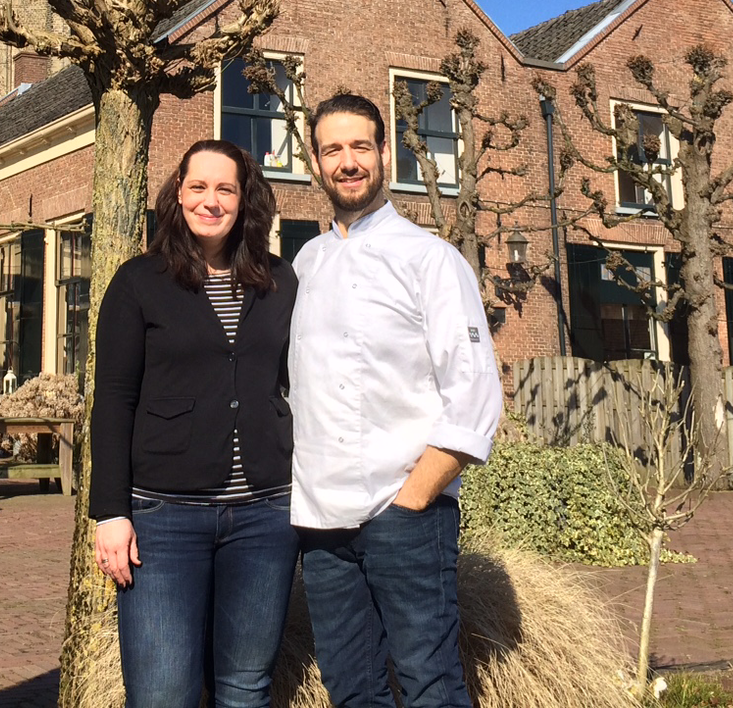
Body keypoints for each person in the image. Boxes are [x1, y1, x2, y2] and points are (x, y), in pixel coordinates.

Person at [288, 93, 503, 708]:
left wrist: (412, 501)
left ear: (385, 153)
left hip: (403, 514)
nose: (347, 162)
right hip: (323, 523)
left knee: (430, 685)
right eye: (332, 149)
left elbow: (475, 394)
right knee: (351, 689)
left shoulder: (431, 259)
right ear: (315, 161)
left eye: (361, 146)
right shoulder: (305, 263)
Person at [90, 138, 300, 708]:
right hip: (164, 518)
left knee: (246, 689)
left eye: (225, 188)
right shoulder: (139, 281)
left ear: (244, 199)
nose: (211, 200)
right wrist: (111, 512)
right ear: (178, 194)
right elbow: (113, 399)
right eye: (198, 186)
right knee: (162, 693)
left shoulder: (280, 281)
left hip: (264, 516)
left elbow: (303, 381)